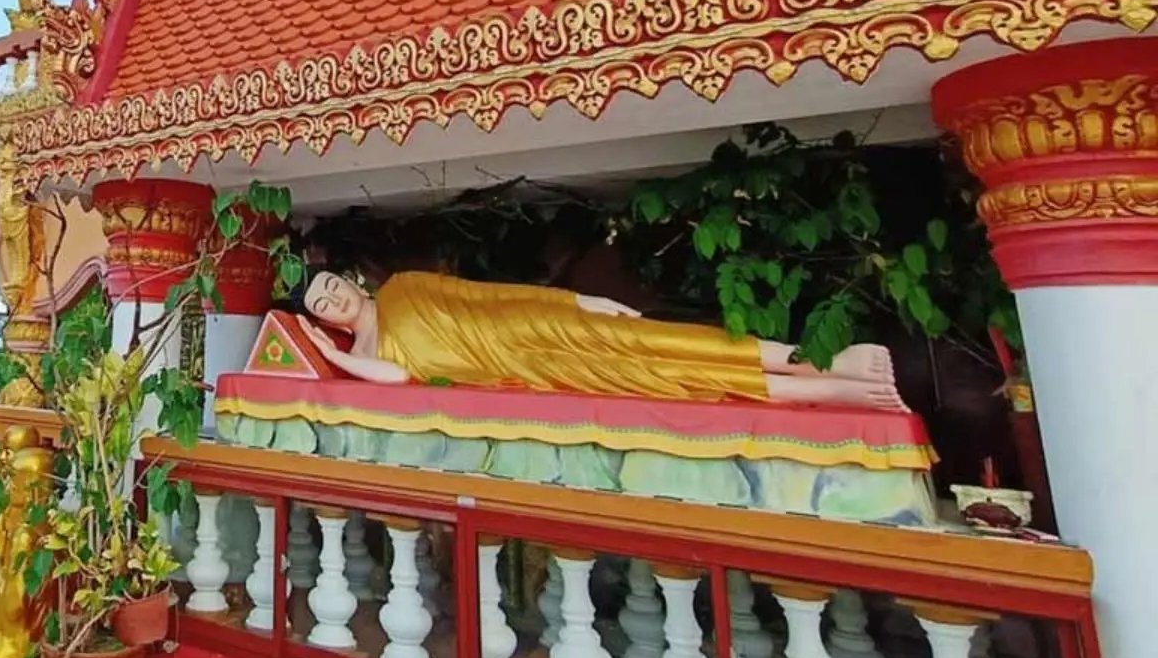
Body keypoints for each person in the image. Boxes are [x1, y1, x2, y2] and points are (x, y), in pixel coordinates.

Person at [295, 270, 905, 410]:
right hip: (527, 367)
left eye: (330, 285)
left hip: (538, 323)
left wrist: (577, 301)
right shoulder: (370, 356)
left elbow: (487, 294)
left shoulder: (403, 285)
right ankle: (833, 390)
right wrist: (332, 357)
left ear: (352, 279)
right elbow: (401, 380)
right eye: (321, 305)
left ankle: (821, 359)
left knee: (671, 345)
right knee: (665, 380)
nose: (331, 298)